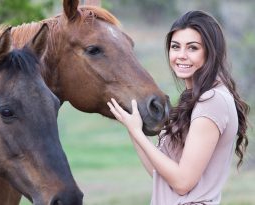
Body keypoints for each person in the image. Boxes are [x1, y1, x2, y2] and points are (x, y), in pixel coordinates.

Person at [107, 10, 250, 205]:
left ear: (210, 52)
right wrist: (133, 129)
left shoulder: (212, 100)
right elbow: (160, 175)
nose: (181, 56)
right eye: (175, 47)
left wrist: (138, 134)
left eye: (192, 48)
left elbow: (182, 183)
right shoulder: (196, 98)